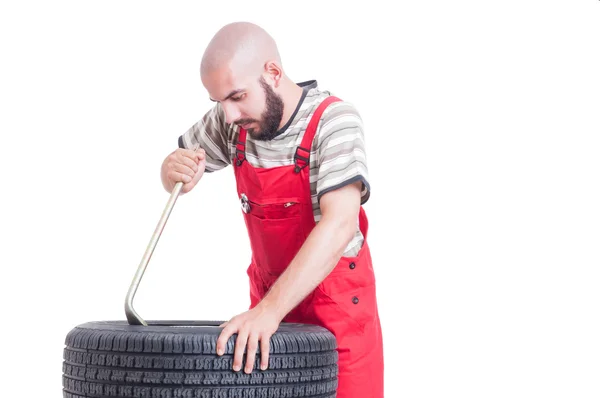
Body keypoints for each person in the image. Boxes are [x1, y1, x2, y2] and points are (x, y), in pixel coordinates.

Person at [160, 21, 384, 397]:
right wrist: (171, 170)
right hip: (268, 313)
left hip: (337, 312)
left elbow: (340, 224)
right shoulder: (233, 122)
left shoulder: (334, 121)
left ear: (273, 73)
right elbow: (179, 166)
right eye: (219, 103)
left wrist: (268, 312)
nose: (228, 116)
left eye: (237, 97)